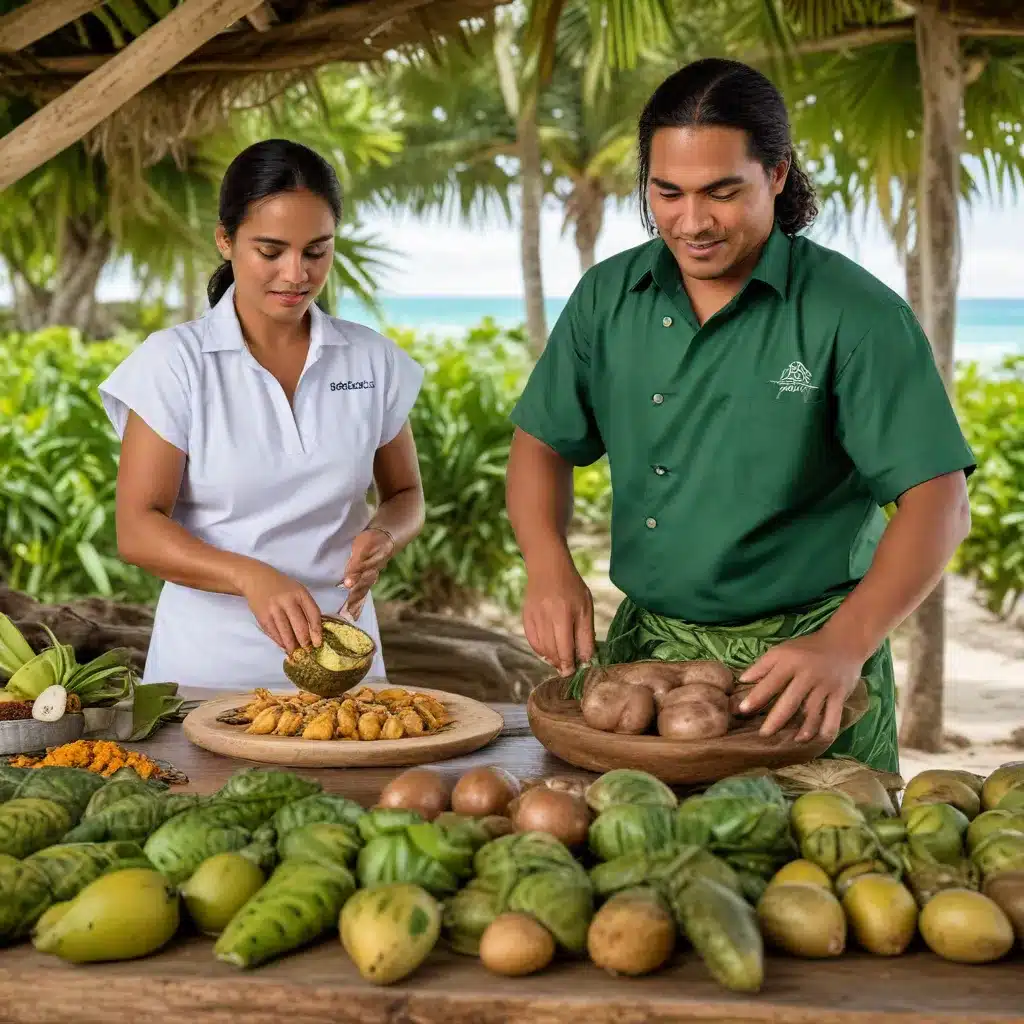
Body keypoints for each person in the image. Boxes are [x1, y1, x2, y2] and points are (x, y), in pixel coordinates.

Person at [504, 58, 975, 772]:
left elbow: (939, 503)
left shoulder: (857, 315)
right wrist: (546, 562)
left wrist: (844, 645)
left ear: (777, 175)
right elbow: (541, 442)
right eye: (667, 193)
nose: (691, 223)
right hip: (645, 669)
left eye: (721, 193)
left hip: (805, 667)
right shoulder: (607, 296)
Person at [99, 139, 425, 689]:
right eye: (270, 251)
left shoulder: (371, 358)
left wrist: (386, 537)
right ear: (226, 241)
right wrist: (249, 577)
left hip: (346, 664)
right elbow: (137, 529)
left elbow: (405, 496)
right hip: (206, 670)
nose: (296, 274)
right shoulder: (174, 363)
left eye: (316, 251)